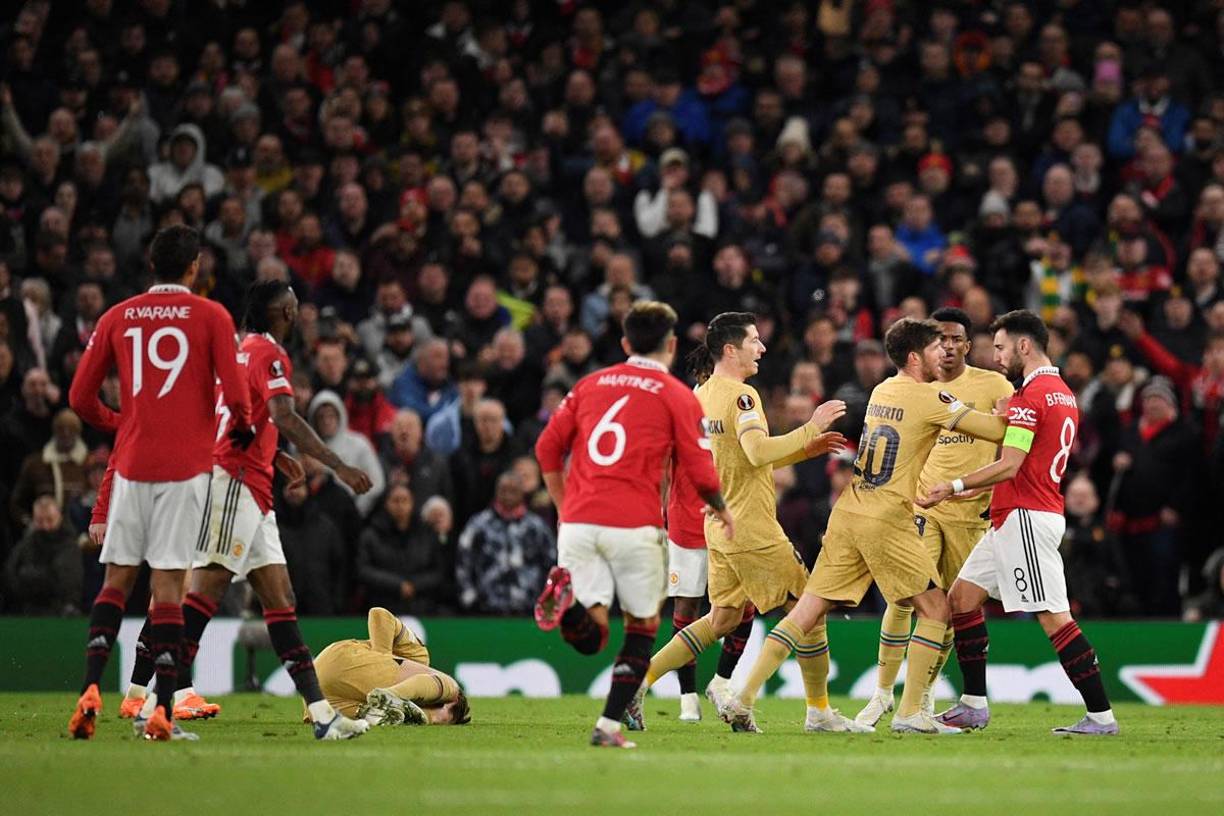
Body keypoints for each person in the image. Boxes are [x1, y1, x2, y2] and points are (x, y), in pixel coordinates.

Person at [112, 279, 373, 741]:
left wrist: (272, 455)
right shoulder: (269, 354)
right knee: (205, 592)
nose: (297, 313)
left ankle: (322, 714)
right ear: (281, 312)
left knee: (281, 599)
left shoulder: (239, 352)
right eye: (293, 306)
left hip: (253, 485)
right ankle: (156, 705)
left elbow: (240, 418)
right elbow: (284, 414)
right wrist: (337, 466)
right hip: (236, 483)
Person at [722, 317, 1007, 734]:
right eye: (934, 348)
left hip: (850, 509)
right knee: (935, 610)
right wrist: (1010, 411)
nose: (942, 353)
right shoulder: (930, 396)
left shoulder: (881, 390)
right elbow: (994, 429)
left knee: (806, 610)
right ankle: (911, 713)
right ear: (915, 356)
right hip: (887, 518)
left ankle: (742, 697)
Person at [626, 311, 857, 735]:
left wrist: (805, 450)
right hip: (752, 526)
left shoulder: (700, 394)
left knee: (723, 619)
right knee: (808, 610)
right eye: (754, 340)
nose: (762, 347)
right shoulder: (742, 397)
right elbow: (756, 453)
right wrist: (810, 427)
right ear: (731, 349)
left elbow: (742, 458)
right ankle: (809, 710)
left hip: (718, 524)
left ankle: (638, 682)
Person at [67, 225, 252, 742]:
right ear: (194, 267)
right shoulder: (212, 315)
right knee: (169, 587)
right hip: (185, 471)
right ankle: (162, 711)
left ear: (151, 265)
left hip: (129, 467)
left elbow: (80, 398)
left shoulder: (117, 316)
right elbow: (237, 400)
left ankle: (89, 692)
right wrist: (244, 427)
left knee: (115, 583)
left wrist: (121, 424)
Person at [533, 301, 733, 749]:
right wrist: (721, 508)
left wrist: (565, 507)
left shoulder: (587, 385)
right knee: (641, 628)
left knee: (594, 633)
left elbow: (546, 449)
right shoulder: (677, 394)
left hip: (578, 524)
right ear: (671, 344)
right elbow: (700, 470)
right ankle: (607, 728)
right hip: (635, 525)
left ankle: (569, 608)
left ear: (625, 344)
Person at [919, 309, 1119, 735]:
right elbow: (1032, 461)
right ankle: (973, 704)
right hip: (1015, 513)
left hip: (1026, 519)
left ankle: (1101, 716)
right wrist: (985, 488)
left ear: (1024, 346)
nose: (996, 356)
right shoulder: (1060, 392)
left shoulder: (1030, 397)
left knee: (1054, 617)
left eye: (1001, 347)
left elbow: (1010, 464)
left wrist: (952, 485)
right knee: (962, 598)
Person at [855, 307, 1013, 727]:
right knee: (905, 598)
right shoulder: (911, 389)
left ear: (967, 344)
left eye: (956, 339)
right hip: (923, 507)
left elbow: (1014, 435)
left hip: (969, 512)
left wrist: (993, 483)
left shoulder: (993, 384)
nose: (947, 346)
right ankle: (882, 694)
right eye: (939, 339)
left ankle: (920, 698)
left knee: (945, 607)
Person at [662, 459, 755, 723]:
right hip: (686, 525)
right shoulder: (680, 417)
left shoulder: (738, 415)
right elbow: (660, 466)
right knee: (686, 607)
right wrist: (658, 514)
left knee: (744, 605)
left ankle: (721, 683)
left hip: (729, 522)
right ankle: (687, 696)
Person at [313, 607, 470, 726]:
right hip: (343, 660)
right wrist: (381, 659)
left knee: (371, 713)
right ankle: (392, 694)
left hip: (318, 696)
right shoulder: (419, 655)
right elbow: (378, 613)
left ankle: (386, 704)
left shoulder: (394, 706)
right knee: (453, 686)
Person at [456, 472, 556, 615]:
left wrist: (546, 602)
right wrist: (470, 600)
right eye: (503, 490)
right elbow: (463, 563)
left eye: (513, 491)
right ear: (496, 492)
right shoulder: (478, 525)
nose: (508, 495)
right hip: (486, 611)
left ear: (522, 493)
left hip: (529, 611)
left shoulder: (537, 527)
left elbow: (551, 565)